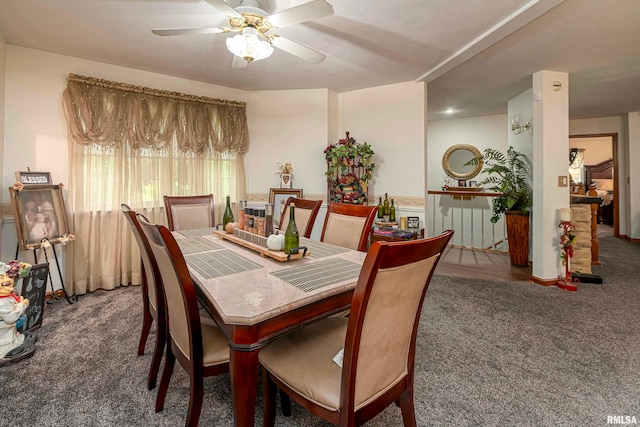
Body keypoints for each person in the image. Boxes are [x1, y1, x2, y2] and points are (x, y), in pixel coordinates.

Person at [0, 261, 36, 365]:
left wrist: (18, 302)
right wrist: (22, 305)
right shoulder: (1, 302)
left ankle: (16, 339)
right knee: (5, 338)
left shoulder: (5, 297)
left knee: (12, 333)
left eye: (6, 276)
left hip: (8, 327)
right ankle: (5, 350)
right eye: (2, 278)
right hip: (4, 328)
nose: (7, 280)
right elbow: (11, 317)